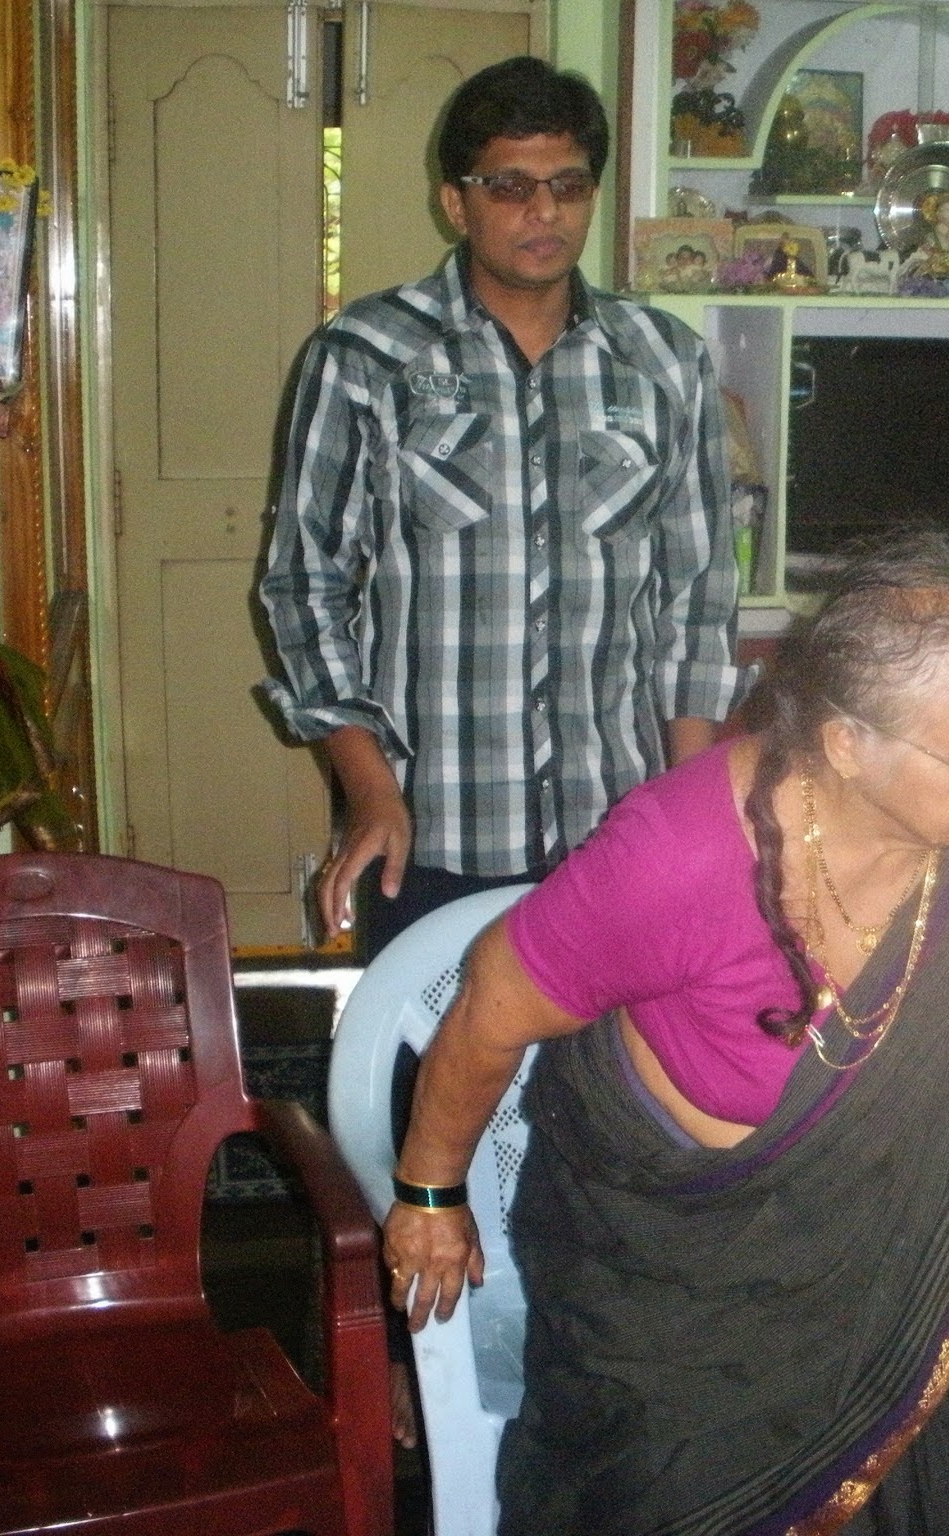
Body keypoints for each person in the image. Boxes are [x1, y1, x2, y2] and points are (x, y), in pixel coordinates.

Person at [382, 538, 949, 1534]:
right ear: (847, 744)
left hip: (868, 1282)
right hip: (666, 1299)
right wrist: (428, 1193)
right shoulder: (675, 858)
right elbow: (486, 1007)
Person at [259, 54, 742, 962]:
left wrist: (692, 815)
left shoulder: (664, 361)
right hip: (429, 832)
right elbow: (304, 586)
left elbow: (697, 599)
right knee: (429, 1049)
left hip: (617, 832)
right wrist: (370, 790)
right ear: (457, 202)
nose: (543, 212)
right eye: (511, 186)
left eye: (569, 186)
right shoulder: (368, 356)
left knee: (610, 1055)